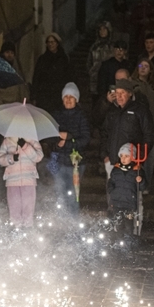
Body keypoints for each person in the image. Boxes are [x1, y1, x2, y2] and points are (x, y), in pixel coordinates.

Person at [48, 83, 91, 215]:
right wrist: (57, 143)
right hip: (59, 161)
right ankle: (61, 222)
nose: (68, 99)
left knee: (73, 195)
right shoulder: (56, 115)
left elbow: (85, 139)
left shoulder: (82, 116)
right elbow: (49, 138)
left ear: (76, 99)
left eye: (71, 97)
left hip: (75, 164)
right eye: (65, 96)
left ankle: (73, 222)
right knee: (59, 193)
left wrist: (68, 139)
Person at [101, 79, 154, 182]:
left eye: (122, 93)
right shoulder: (112, 110)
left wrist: (140, 157)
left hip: (132, 163)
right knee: (113, 194)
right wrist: (105, 155)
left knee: (132, 194)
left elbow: (149, 135)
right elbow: (104, 133)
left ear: (130, 93)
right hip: (113, 162)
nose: (119, 96)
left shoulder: (140, 110)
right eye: (117, 92)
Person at [0, 135, 43, 227]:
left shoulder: (32, 140)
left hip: (28, 179)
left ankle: (28, 229)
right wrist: (11, 158)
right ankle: (15, 230)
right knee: (14, 207)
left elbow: (38, 157)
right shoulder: (7, 141)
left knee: (28, 208)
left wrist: (25, 146)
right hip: (12, 180)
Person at [31, 33, 74, 114]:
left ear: (57, 43)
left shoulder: (64, 59)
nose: (51, 44)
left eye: (53, 42)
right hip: (44, 95)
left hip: (59, 95)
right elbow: (36, 77)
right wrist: (34, 95)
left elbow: (69, 76)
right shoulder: (42, 59)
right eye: (49, 42)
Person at [107, 143, 142, 236]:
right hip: (117, 202)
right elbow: (111, 182)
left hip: (129, 203)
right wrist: (112, 192)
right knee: (118, 225)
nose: (123, 159)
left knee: (129, 226)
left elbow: (142, 187)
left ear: (133, 157)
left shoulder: (136, 171)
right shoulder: (116, 169)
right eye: (121, 156)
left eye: (127, 156)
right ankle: (119, 245)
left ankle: (128, 245)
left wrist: (140, 181)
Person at [87, 23, 115, 97]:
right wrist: (91, 71)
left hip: (109, 79)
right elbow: (89, 61)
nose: (102, 31)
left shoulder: (112, 46)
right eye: (100, 29)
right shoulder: (94, 46)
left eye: (104, 29)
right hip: (95, 78)